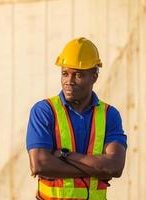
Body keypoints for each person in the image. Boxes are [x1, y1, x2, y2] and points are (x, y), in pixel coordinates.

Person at [26, 37, 127, 200]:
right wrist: (97, 169)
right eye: (65, 74)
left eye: (78, 75)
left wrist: (65, 156)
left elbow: (114, 167)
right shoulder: (44, 111)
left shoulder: (109, 115)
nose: (69, 81)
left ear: (94, 76)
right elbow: (40, 164)